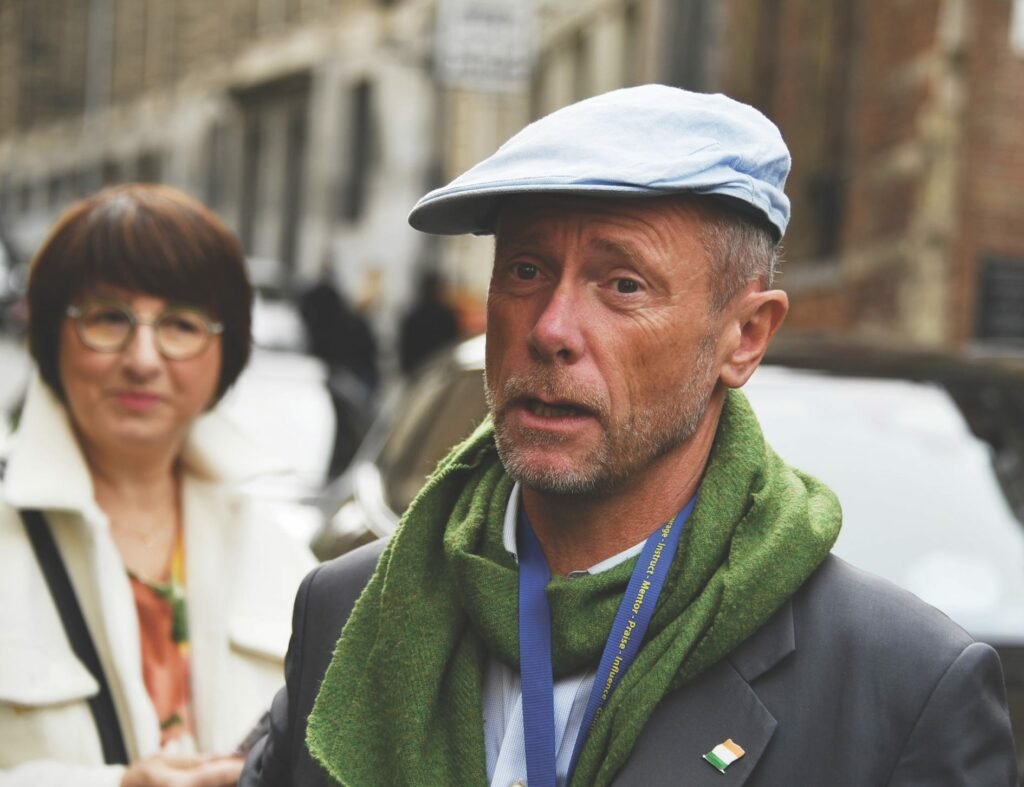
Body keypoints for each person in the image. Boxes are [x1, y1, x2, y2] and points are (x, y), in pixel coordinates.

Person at [241, 86, 1018, 786]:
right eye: (525, 270)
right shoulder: (348, 609)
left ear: (745, 336)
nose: (551, 328)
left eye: (623, 284)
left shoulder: (899, 687)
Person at [0, 184, 315, 786]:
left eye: (181, 324)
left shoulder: (281, 555)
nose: (143, 359)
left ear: (225, 351)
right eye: (108, 318)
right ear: (49, 335)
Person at [398, 269, 461, 376]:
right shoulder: (446, 315)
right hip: (441, 370)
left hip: (417, 371)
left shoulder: (412, 315)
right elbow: (453, 344)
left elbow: (405, 349)